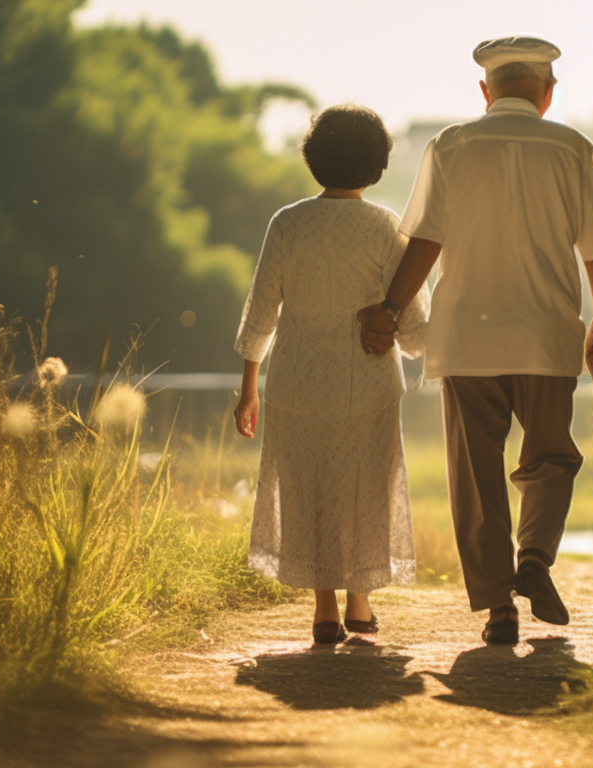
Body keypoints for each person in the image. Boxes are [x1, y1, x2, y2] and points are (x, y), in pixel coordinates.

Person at [358, 35, 593, 645]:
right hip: (546, 334)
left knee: (476, 471)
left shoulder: (450, 145)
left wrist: (391, 309)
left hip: (468, 335)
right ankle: (533, 557)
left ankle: (498, 606)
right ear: (548, 93)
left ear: (485, 92)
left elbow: (425, 238)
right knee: (551, 455)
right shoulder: (573, 148)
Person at [234, 104, 430, 646]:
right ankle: (359, 602)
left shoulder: (287, 223)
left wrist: (249, 388)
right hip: (365, 386)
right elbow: (413, 322)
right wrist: (417, 343)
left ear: (314, 159)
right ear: (378, 165)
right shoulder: (385, 226)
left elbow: (260, 313)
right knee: (364, 490)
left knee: (306, 490)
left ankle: (324, 610)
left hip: (295, 382)